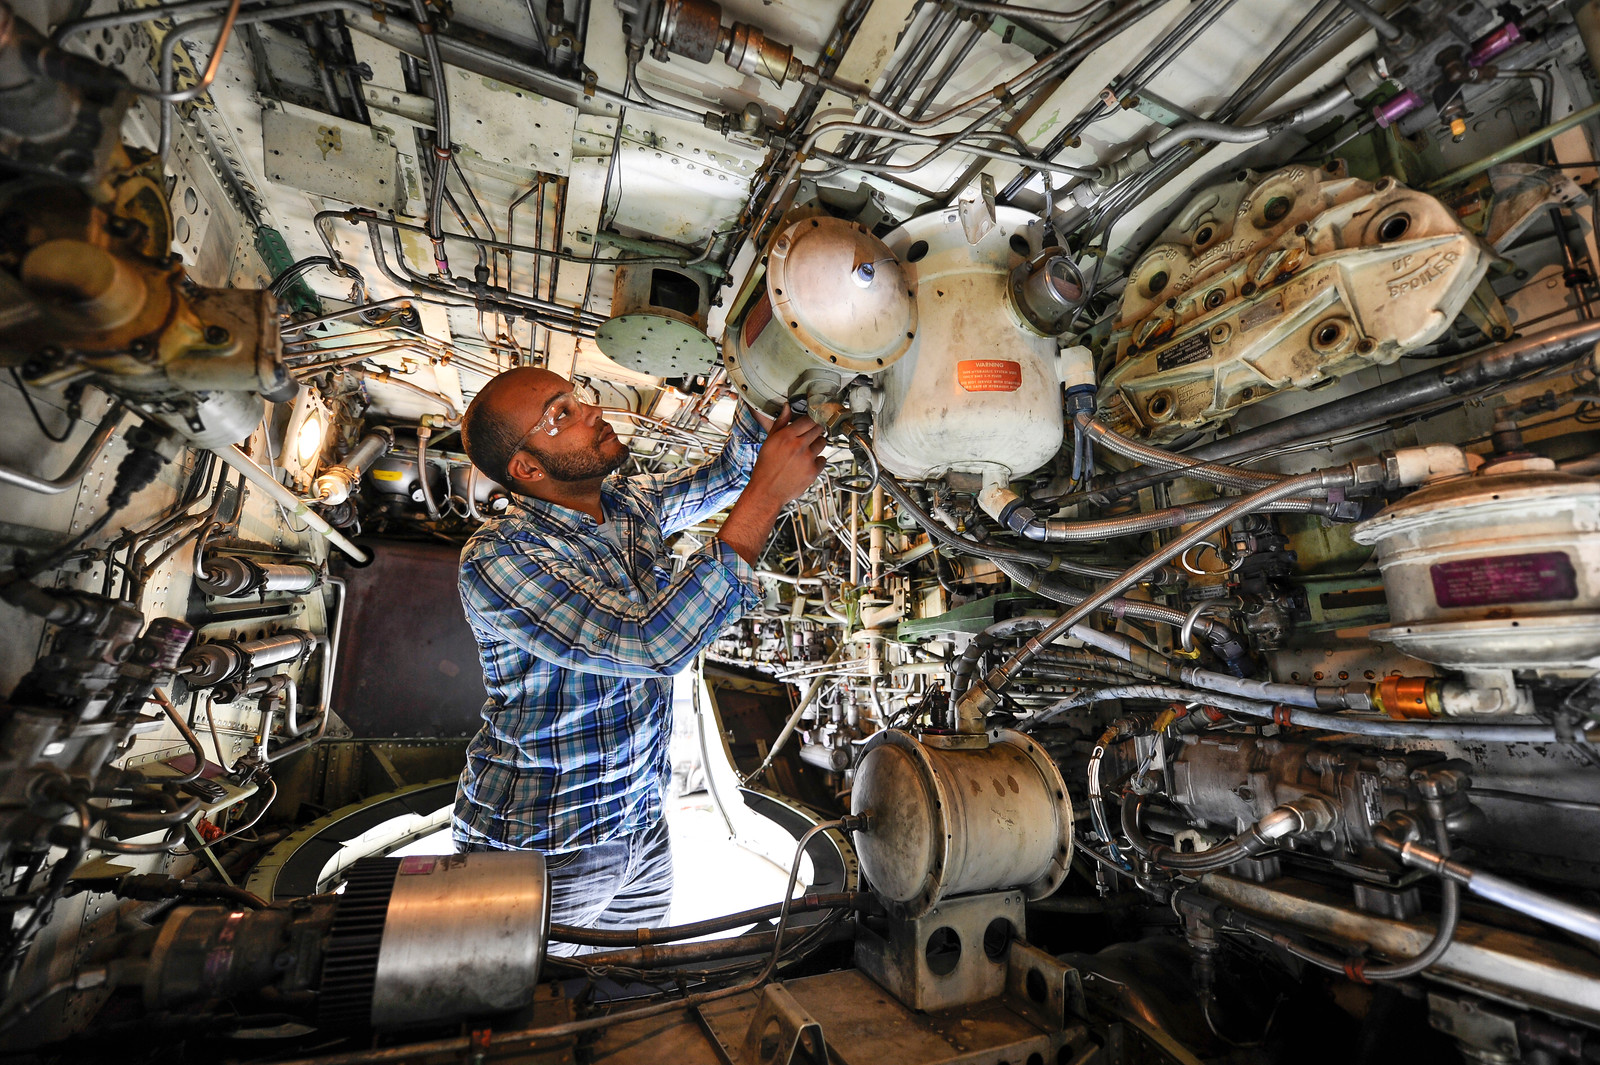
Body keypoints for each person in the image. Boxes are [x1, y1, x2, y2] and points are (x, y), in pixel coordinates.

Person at [452, 367, 826, 950]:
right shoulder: (500, 557)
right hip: (543, 847)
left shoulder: (627, 505)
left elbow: (729, 475)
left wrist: (770, 384)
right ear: (526, 469)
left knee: (634, 999)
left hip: (639, 822)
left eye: (577, 398)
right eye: (560, 415)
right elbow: (652, 645)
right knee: (539, 1020)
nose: (590, 412)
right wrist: (769, 495)